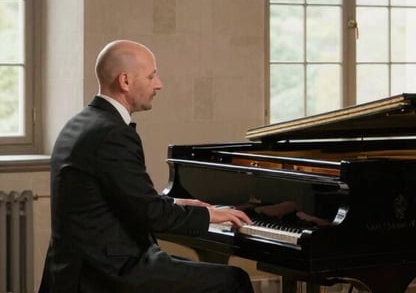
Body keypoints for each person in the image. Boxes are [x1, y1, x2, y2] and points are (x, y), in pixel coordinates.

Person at [40, 40, 255, 293]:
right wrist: (210, 215)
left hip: (77, 266)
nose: (159, 84)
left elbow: (124, 201)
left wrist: (178, 204)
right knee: (233, 281)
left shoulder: (80, 123)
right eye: (152, 76)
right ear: (125, 81)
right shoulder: (113, 134)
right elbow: (151, 215)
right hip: (105, 273)